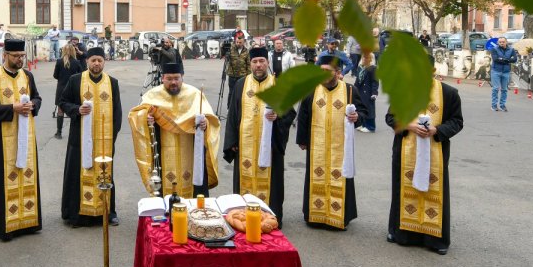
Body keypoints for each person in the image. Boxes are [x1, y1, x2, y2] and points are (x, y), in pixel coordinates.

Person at [385, 77, 464, 255]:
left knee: (434, 191)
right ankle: (400, 233)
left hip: (436, 154)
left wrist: (437, 130)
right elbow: (390, 118)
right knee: (402, 190)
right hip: (405, 153)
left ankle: (435, 239)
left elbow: (457, 121)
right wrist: (410, 125)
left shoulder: (448, 93)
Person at [0, 38, 43, 240]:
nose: (20, 59)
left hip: (26, 138)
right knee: (3, 180)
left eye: (22, 56)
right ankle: (4, 226)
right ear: (5, 55)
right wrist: (12, 108)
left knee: (27, 175)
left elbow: (37, 97)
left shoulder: (27, 76)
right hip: (1, 140)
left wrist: (33, 105)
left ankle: (27, 223)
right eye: (16, 56)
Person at [295, 54, 369, 230]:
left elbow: (364, 112)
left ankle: (339, 216)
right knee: (316, 175)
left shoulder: (349, 90)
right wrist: (302, 140)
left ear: (337, 72)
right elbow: (303, 115)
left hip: (341, 146)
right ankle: (315, 215)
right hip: (317, 145)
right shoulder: (311, 90)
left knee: (340, 177)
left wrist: (357, 117)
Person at [223, 47, 295, 224]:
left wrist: (278, 116)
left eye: (262, 61)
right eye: (255, 62)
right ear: (250, 64)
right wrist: (232, 141)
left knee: (272, 183)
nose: (258, 65)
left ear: (267, 62)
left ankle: (270, 217)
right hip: (245, 145)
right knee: (244, 182)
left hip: (270, 146)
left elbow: (290, 113)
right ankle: (242, 216)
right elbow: (233, 115)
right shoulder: (241, 84)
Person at [128, 62, 220, 198]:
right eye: (169, 79)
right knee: (164, 192)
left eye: (176, 78)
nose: (173, 82)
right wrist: (147, 118)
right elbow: (136, 115)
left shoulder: (194, 94)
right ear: (162, 78)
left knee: (194, 193)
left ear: (182, 77)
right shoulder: (153, 95)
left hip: (190, 152)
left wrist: (205, 124)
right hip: (163, 152)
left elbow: (211, 120)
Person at [59, 46, 123, 227]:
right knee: (78, 174)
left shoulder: (112, 83)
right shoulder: (75, 80)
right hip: (80, 140)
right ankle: (77, 214)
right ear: (87, 61)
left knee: (105, 174)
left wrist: (112, 136)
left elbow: (117, 112)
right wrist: (76, 109)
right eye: (93, 60)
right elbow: (63, 102)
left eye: (99, 60)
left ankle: (108, 212)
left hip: (105, 140)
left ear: (104, 62)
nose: (96, 63)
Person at [52, 42, 85, 139]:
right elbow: (82, 75)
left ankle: (59, 133)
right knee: (74, 109)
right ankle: (74, 133)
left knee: (60, 110)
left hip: (61, 88)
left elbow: (55, 75)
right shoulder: (76, 62)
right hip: (73, 89)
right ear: (73, 51)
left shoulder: (59, 61)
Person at [489, 36, 518, 111]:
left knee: (504, 89)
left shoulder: (511, 50)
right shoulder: (494, 49)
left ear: (506, 42)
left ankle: (502, 105)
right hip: (496, 71)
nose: (502, 43)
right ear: (498, 42)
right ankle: (494, 105)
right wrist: (508, 60)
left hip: (506, 72)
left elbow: (515, 59)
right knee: (495, 89)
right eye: (500, 42)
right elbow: (496, 59)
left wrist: (503, 59)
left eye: (503, 42)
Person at [354, 50, 379, 131]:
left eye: (367, 57)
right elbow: (357, 80)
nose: (365, 59)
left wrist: (374, 92)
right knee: (361, 108)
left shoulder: (373, 68)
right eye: (364, 57)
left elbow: (375, 82)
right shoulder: (360, 67)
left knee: (369, 109)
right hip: (360, 91)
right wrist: (354, 89)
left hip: (368, 92)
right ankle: (362, 124)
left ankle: (371, 127)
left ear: (371, 59)